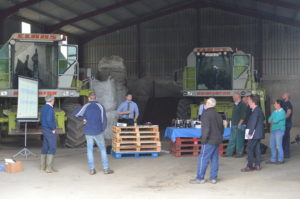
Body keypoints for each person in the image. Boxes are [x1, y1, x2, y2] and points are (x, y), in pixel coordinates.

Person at [73, 92, 114, 175]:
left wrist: (83, 119)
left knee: (89, 150)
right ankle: (106, 169)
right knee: (102, 150)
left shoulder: (86, 106)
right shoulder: (100, 106)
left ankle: (92, 169)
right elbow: (104, 120)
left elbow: (75, 114)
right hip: (98, 131)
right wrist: (102, 129)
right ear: (96, 98)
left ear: (89, 98)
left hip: (88, 131)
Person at [190, 98, 224, 184]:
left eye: (206, 103)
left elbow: (206, 128)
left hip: (209, 140)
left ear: (208, 104)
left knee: (203, 158)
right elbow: (222, 128)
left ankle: (200, 178)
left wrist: (203, 140)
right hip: (217, 140)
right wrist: (219, 137)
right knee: (214, 159)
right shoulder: (218, 114)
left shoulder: (205, 114)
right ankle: (213, 178)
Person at [241, 95, 265, 172]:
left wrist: (249, 134)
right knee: (257, 149)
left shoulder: (255, 111)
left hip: (254, 134)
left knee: (249, 149)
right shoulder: (259, 110)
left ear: (253, 102)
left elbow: (253, 124)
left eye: (249, 100)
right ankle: (257, 165)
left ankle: (249, 166)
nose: (248, 102)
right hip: (258, 134)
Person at [224, 92, 247, 158]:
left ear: (237, 97)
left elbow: (243, 116)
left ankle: (239, 153)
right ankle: (228, 153)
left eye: (233, 96)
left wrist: (239, 124)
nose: (232, 98)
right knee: (232, 139)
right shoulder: (235, 105)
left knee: (239, 140)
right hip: (234, 125)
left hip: (239, 125)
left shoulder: (242, 105)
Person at [40, 95, 57, 173]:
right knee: (52, 147)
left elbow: (42, 119)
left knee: (45, 146)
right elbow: (49, 120)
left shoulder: (43, 108)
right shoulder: (50, 109)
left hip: (44, 129)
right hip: (49, 130)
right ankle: (49, 168)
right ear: (52, 100)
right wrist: (53, 128)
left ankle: (42, 167)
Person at [266, 99, 286, 164]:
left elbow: (275, 121)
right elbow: (269, 119)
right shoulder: (275, 112)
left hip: (279, 130)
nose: (274, 104)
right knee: (272, 145)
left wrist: (273, 121)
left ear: (279, 104)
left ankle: (281, 159)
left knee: (278, 145)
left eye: (275, 103)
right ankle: (273, 159)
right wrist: (273, 121)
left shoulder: (283, 112)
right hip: (274, 130)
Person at [281, 93, 293, 158]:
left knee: (285, 138)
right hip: (285, 123)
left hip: (287, 123)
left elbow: (289, 112)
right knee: (284, 138)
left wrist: (283, 119)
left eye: (284, 94)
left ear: (287, 96)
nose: (282, 95)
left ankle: (286, 153)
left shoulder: (288, 103)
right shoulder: (283, 103)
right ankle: (284, 152)